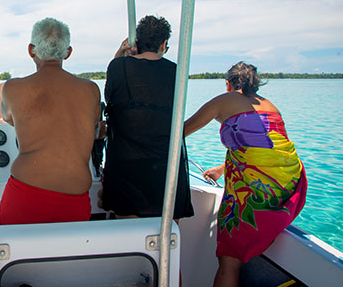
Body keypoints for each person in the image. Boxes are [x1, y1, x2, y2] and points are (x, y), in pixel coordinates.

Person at [184, 62, 307, 287]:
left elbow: (182, 131)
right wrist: (222, 169)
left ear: (229, 83)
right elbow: (262, 150)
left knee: (229, 260)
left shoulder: (225, 99)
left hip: (255, 191)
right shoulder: (271, 107)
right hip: (286, 189)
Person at [0, 18, 101, 225]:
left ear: (31, 50)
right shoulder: (90, 90)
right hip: (75, 200)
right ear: (68, 52)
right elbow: (94, 127)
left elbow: (9, 118)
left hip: (24, 194)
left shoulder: (13, 88)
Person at [101, 15, 194, 221]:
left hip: (126, 165)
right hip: (166, 165)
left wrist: (120, 55)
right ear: (163, 44)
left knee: (129, 238)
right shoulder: (176, 71)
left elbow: (110, 100)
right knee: (169, 236)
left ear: (137, 42)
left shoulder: (119, 67)